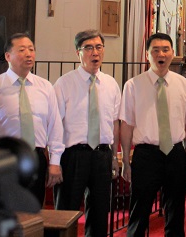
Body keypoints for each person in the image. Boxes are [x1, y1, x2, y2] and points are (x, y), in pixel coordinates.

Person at [120, 33, 186, 237]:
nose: (161, 54)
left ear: (172, 53)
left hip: (175, 153)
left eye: (165, 49)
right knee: (139, 211)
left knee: (175, 211)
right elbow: (126, 125)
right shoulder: (133, 85)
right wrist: (125, 160)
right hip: (146, 155)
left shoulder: (183, 84)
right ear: (147, 54)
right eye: (155, 50)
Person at [54, 30, 121, 237]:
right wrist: (55, 160)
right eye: (89, 48)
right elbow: (55, 124)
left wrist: (114, 156)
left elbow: (115, 123)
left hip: (102, 154)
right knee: (66, 212)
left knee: (100, 213)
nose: (95, 52)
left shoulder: (111, 84)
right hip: (73, 155)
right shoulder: (64, 83)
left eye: (99, 47)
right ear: (78, 53)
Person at [0, 33, 64, 206]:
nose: (29, 54)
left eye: (31, 49)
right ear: (8, 56)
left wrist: (55, 162)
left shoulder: (45, 86)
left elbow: (55, 126)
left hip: (36, 156)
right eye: (22, 50)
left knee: (34, 209)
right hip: (6, 157)